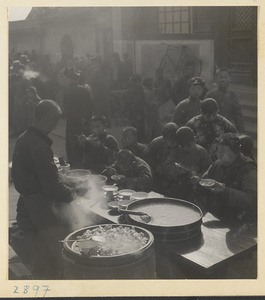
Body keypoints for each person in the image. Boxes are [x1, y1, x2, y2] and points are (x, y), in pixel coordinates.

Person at [10, 100, 86, 279]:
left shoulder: (25, 137)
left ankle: (43, 268)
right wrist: (74, 195)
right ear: (48, 118)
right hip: (39, 206)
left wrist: (70, 181)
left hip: (28, 200)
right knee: (59, 246)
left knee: (38, 247)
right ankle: (60, 278)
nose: (55, 126)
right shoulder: (38, 146)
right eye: (56, 121)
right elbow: (53, 187)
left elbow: (45, 175)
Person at [201, 133, 257, 223]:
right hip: (216, 218)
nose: (217, 154)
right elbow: (204, 182)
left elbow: (253, 200)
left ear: (232, 153)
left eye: (222, 151)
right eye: (218, 150)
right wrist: (197, 183)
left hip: (240, 223)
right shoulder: (217, 164)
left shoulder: (249, 169)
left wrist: (225, 191)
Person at [159, 126, 212, 199]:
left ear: (194, 140)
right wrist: (176, 171)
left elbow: (211, 171)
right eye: (182, 146)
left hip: (195, 190)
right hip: (177, 187)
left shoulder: (201, 152)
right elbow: (165, 168)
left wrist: (199, 176)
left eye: (189, 145)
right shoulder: (175, 151)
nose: (186, 148)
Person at [63, 67, 93, 167]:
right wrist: (86, 118)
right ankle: (85, 162)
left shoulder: (67, 91)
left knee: (72, 144)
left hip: (72, 121)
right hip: (84, 120)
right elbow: (90, 106)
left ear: (69, 79)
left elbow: (65, 108)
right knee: (85, 140)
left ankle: (73, 162)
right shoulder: (84, 90)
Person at [205, 68, 245, 132]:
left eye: (226, 77)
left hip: (227, 128)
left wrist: (241, 132)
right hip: (212, 128)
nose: (223, 80)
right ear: (216, 79)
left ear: (229, 79)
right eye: (220, 77)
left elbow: (238, 115)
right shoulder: (210, 95)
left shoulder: (232, 96)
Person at [144, 122, 179, 194]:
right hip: (158, 177)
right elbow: (145, 155)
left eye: (174, 139)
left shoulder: (181, 145)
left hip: (175, 179)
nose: (172, 142)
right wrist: (156, 166)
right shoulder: (156, 142)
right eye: (169, 140)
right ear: (165, 138)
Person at [125, 74, 146, 142]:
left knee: (132, 128)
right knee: (139, 130)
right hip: (138, 113)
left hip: (131, 113)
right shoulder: (139, 90)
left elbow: (127, 102)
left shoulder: (129, 90)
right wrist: (139, 113)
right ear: (137, 81)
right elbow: (139, 102)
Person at [142, 77, 162, 142]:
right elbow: (148, 102)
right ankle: (149, 141)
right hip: (150, 111)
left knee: (155, 126)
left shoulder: (151, 90)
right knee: (150, 127)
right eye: (151, 82)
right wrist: (155, 105)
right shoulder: (146, 91)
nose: (153, 83)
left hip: (153, 111)